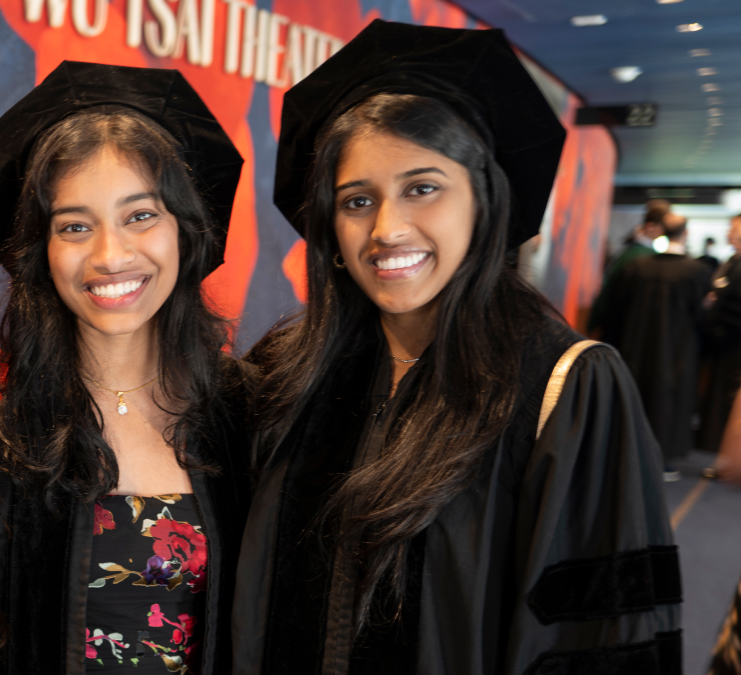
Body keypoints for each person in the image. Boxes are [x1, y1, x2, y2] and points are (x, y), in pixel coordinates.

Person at [235, 21, 680, 674]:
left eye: (422, 187)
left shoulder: (563, 389)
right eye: (358, 200)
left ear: (484, 198)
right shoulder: (286, 373)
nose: (387, 229)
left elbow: (604, 637)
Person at [0, 61, 252, 675]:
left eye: (140, 215)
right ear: (41, 251)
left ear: (184, 228)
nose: (110, 255)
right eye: (75, 226)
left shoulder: (246, 415)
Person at [601, 213, 713, 477]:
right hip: (678, 352)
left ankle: (623, 456)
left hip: (634, 348)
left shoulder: (636, 267)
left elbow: (614, 308)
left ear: (661, 231)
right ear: (685, 234)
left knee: (633, 397)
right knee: (669, 403)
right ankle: (661, 462)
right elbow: (703, 317)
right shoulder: (697, 272)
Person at [587, 201, 669, 335]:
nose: (664, 232)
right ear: (650, 227)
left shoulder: (633, 252)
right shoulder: (637, 256)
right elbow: (610, 292)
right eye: (662, 227)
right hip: (624, 327)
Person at [702, 215, 741, 457]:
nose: (729, 232)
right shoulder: (731, 261)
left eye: (733, 227)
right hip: (722, 343)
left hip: (734, 344)